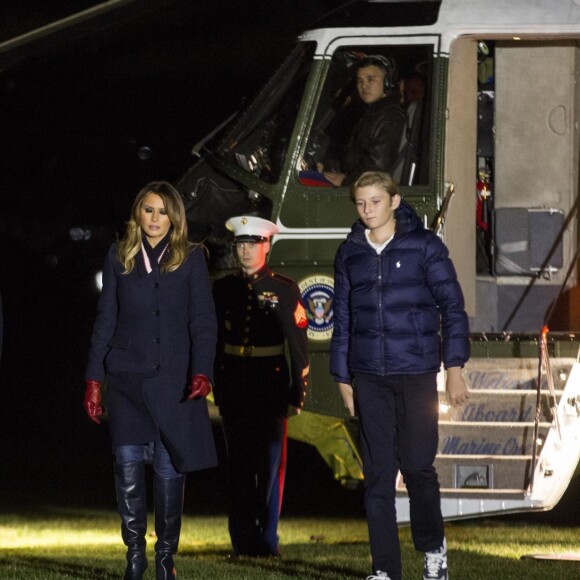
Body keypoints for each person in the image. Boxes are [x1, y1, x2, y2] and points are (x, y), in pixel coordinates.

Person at [330, 171, 470, 580]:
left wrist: (455, 368)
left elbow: (453, 309)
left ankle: (433, 553)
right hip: (368, 376)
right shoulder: (350, 253)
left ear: (393, 201)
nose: (367, 210)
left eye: (375, 201)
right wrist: (343, 379)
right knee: (376, 476)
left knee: (417, 468)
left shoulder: (425, 247)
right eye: (360, 203)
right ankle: (384, 570)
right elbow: (342, 319)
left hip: (416, 374)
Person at [83, 181, 218, 580]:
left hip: (173, 384)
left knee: (167, 473)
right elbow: (105, 320)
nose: (155, 219)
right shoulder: (119, 256)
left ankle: (164, 560)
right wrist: (93, 378)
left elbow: (203, 322)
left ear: (174, 216)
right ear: (137, 214)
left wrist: (202, 370)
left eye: (162, 211)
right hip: (126, 381)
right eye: (148, 210)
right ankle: (135, 558)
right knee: (126, 469)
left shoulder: (191, 259)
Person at [212, 215, 309, 558]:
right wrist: (215, 385)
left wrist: (298, 390)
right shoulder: (223, 288)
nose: (246, 251)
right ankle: (241, 542)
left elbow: (298, 346)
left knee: (270, 467)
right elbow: (214, 340)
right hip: (235, 383)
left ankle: (266, 540)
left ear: (267, 246)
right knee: (237, 466)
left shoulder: (284, 288)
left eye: (253, 244)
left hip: (269, 384)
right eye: (240, 244)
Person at [319, 55, 406, 187]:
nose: (364, 86)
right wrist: (330, 168)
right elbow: (356, 158)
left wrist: (346, 181)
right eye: (360, 81)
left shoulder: (390, 116)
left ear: (387, 83)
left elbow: (377, 166)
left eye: (370, 80)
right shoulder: (374, 111)